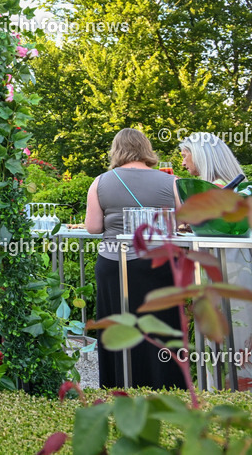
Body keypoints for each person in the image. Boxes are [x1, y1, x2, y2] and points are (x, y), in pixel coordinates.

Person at [85, 128, 185, 389]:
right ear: (146, 148)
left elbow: (93, 227)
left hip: (113, 264)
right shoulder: (171, 182)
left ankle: (118, 384)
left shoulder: (101, 182)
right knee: (162, 324)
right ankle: (167, 387)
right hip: (157, 264)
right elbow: (187, 221)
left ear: (116, 150)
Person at [179, 132, 252, 390]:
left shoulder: (227, 190)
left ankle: (232, 393)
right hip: (220, 269)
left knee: (236, 333)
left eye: (185, 154)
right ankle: (220, 392)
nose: (183, 162)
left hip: (231, 269)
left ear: (201, 155)